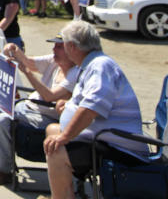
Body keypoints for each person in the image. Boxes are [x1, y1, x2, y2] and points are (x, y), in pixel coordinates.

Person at [42, 20, 148, 199]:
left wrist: (65, 137)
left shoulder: (100, 66)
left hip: (120, 147)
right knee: (52, 131)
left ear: (73, 47)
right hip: (106, 138)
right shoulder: (92, 64)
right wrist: (69, 106)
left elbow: (91, 109)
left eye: (64, 44)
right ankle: (62, 193)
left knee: (57, 146)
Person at [0, 34, 79, 185]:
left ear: (71, 50)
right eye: (55, 45)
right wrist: (14, 50)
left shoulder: (75, 74)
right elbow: (29, 62)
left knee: (2, 120)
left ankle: (2, 170)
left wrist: (27, 72)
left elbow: (49, 96)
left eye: (59, 46)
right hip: (26, 107)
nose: (54, 49)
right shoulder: (55, 61)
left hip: (44, 117)